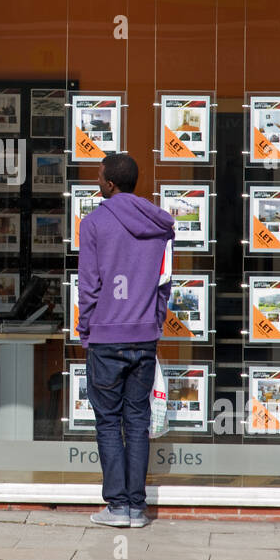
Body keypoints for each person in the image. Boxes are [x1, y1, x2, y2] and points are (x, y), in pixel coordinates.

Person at [77, 152, 175, 528]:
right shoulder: (159, 224)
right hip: (143, 337)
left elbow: (90, 285)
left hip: (106, 336)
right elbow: (164, 283)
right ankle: (137, 508)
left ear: (111, 183)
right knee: (137, 421)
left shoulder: (95, 223)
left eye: (99, 176)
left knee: (107, 422)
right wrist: (154, 322)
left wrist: (87, 328)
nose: (96, 181)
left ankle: (117, 507)